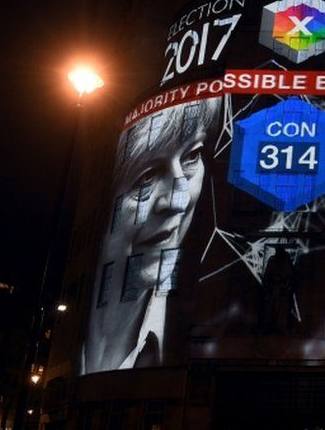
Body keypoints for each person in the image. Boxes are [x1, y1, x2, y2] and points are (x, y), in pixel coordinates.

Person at [83, 98, 221, 374]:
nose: (177, 200)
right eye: (147, 177)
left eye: (191, 157)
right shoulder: (82, 348)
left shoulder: (190, 341)